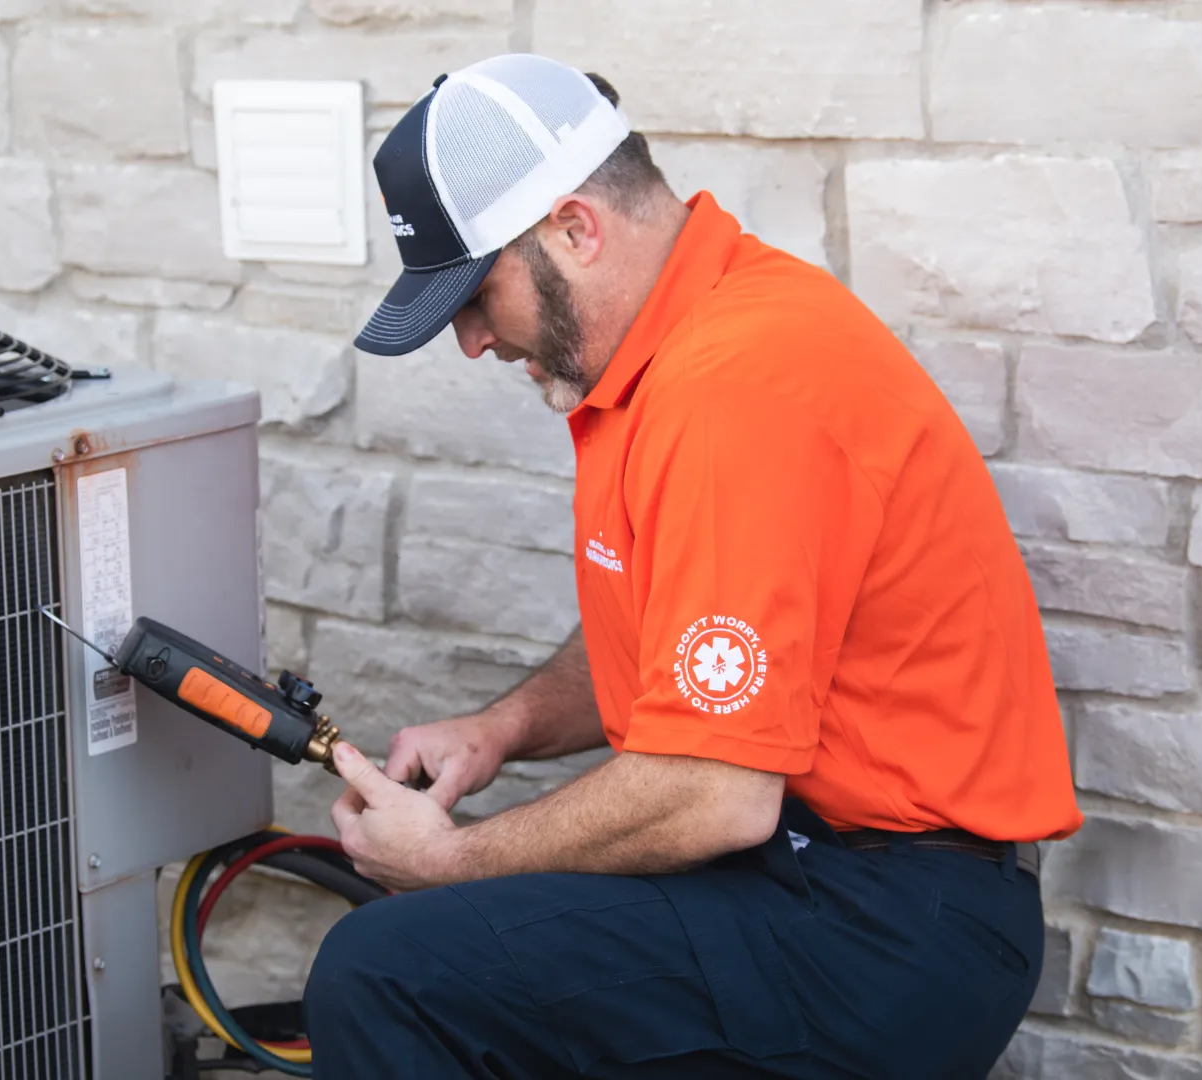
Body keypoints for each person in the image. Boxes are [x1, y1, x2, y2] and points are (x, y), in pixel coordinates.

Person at [305, 53, 1082, 1079]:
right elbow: (676, 638)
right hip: (814, 878)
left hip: (883, 929)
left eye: (474, 295)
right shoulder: (684, 348)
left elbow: (713, 795)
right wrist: (503, 728)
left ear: (573, 230)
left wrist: (448, 859)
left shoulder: (738, 391)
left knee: (389, 969)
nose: (471, 340)